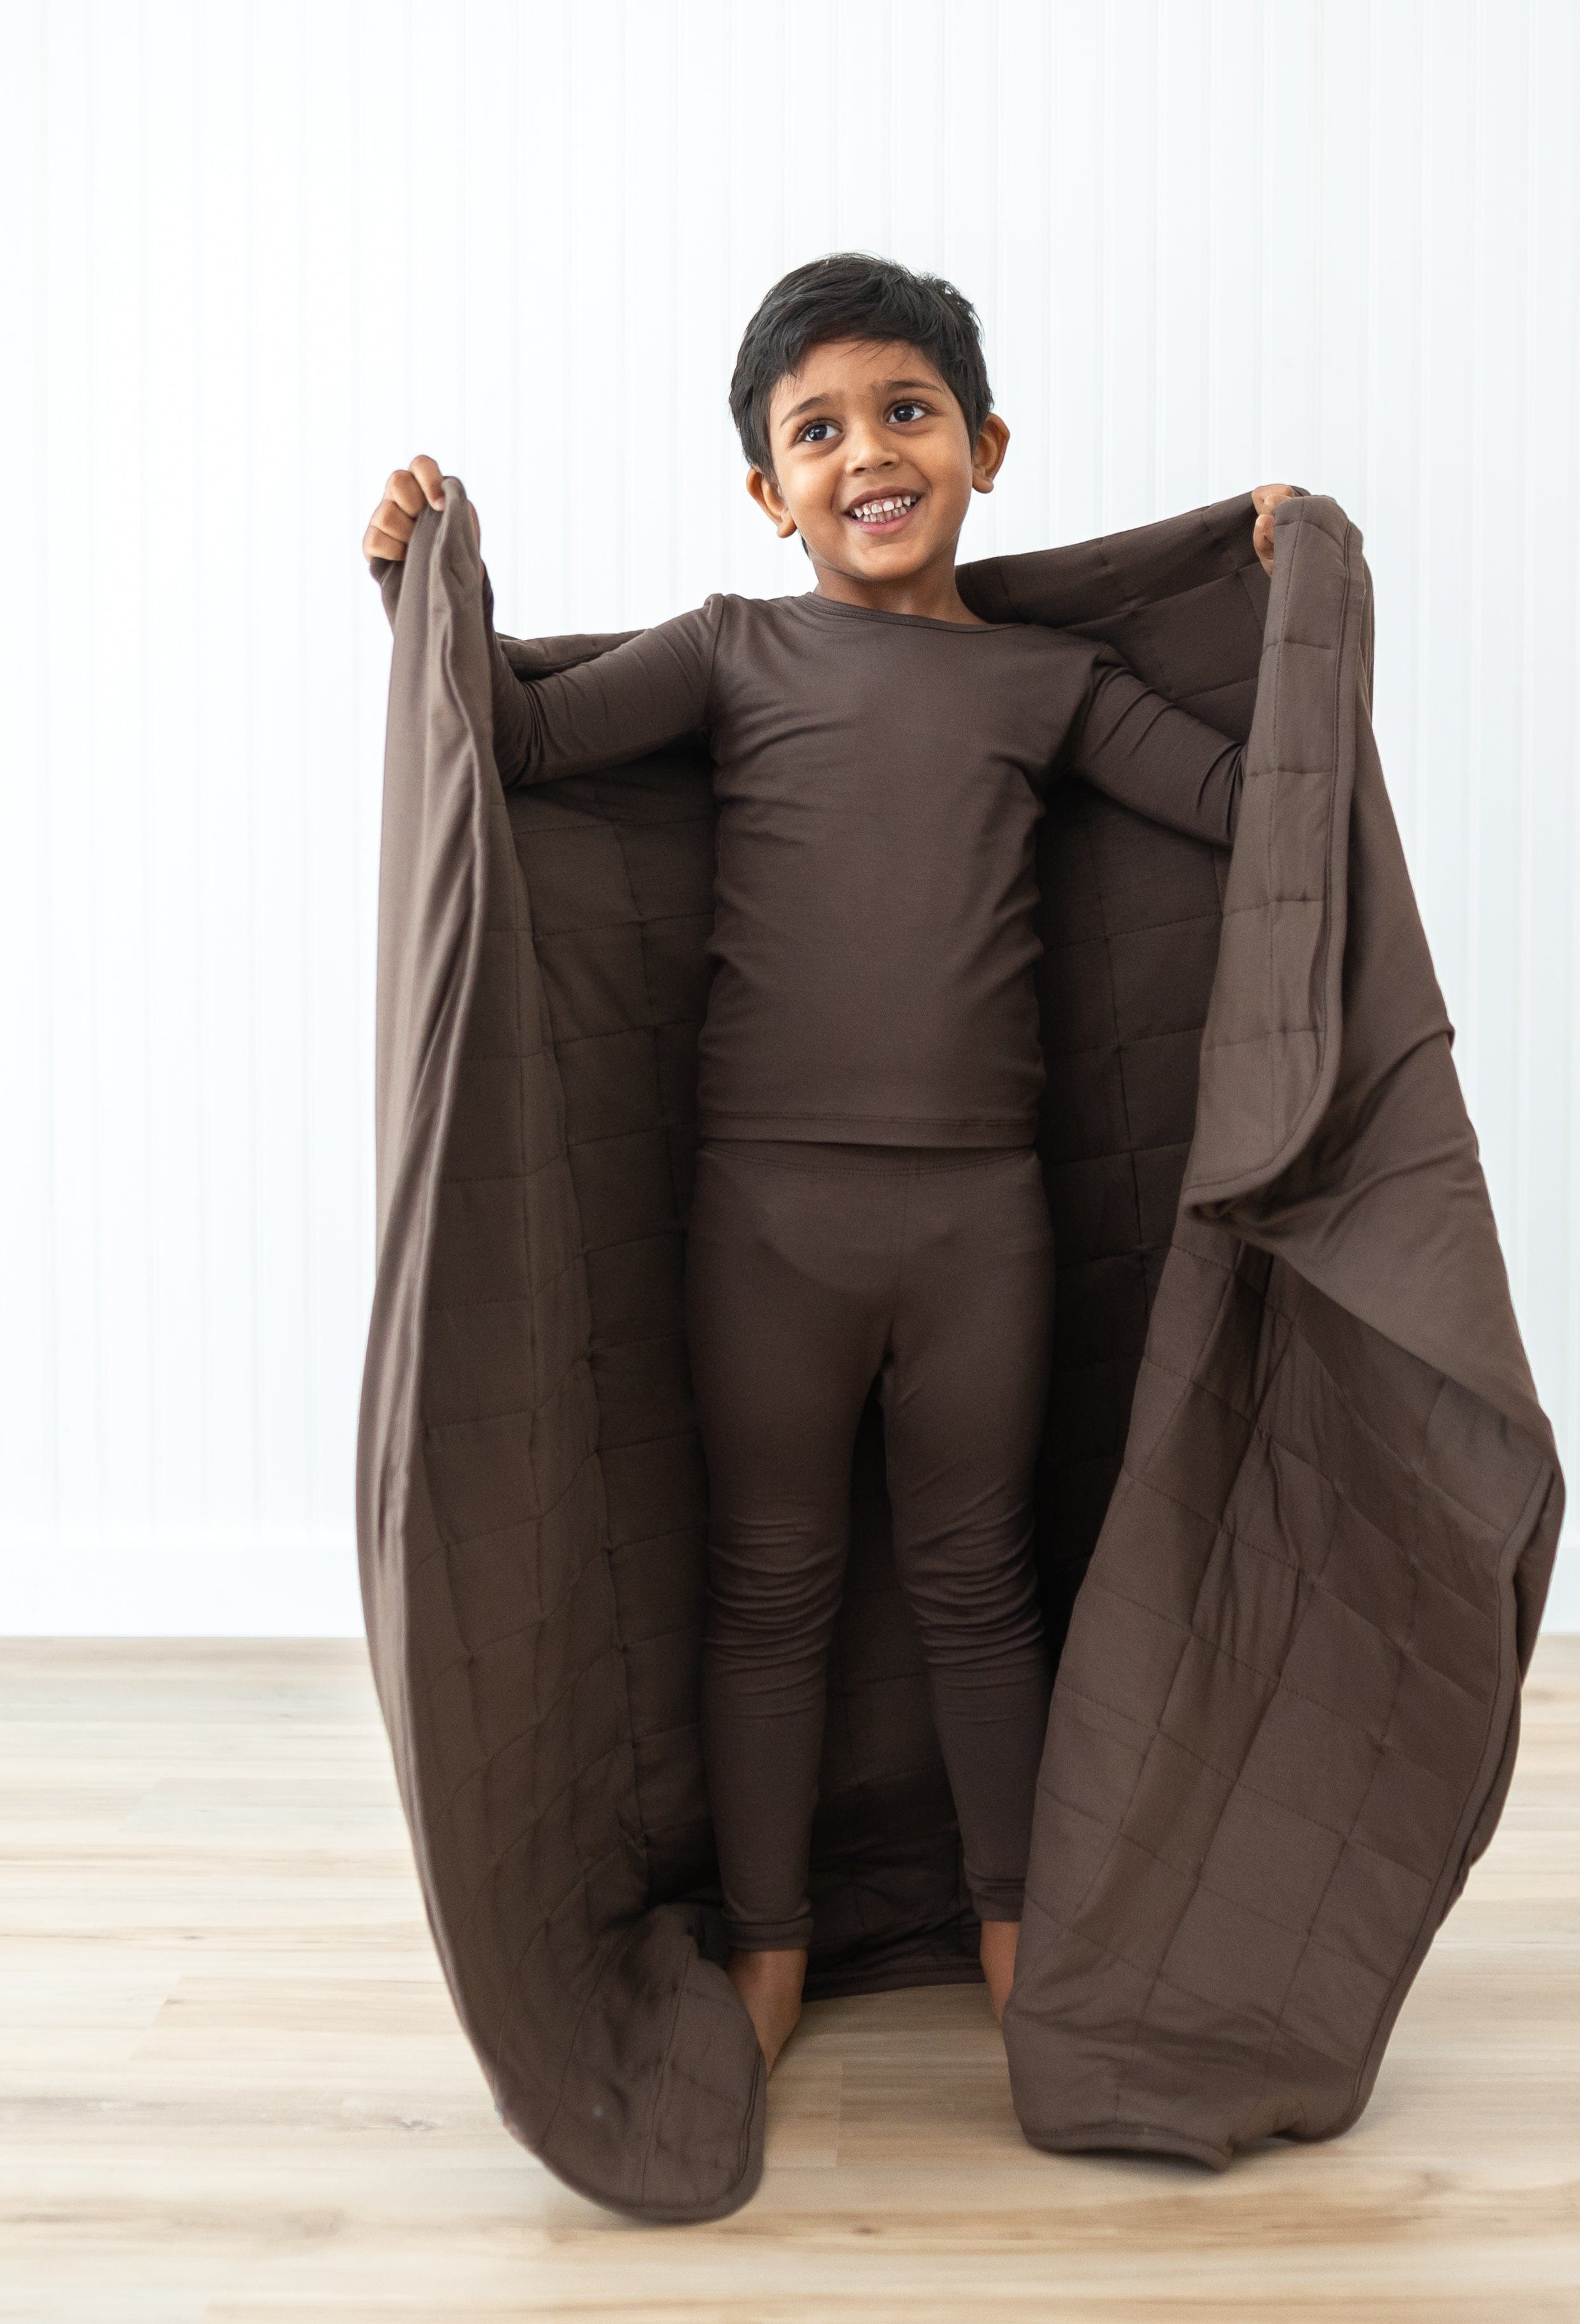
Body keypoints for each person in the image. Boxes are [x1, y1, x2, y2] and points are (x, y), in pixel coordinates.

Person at [363, 251, 1297, 2074]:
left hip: (980, 1231)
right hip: (766, 1228)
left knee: (977, 1583)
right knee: (770, 1586)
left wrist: (1288, 597)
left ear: (984, 446)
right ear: (765, 489)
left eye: (905, 412)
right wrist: (417, 580)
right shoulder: (731, 647)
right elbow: (526, 735)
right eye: (819, 429)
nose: (867, 452)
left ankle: (1029, 1952)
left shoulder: (1049, 682)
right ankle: (768, 1954)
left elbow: (1248, 799)